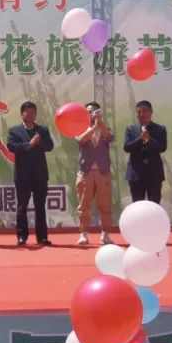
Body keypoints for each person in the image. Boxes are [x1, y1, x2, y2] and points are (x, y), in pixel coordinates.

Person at [7, 101, 55, 246]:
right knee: (22, 206)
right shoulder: (14, 131)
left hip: (40, 175)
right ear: (21, 114)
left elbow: (50, 146)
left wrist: (38, 143)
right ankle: (22, 236)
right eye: (27, 112)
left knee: (40, 206)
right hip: (23, 175)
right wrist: (29, 144)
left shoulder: (42, 130)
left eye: (33, 112)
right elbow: (11, 146)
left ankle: (42, 237)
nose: (30, 115)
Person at [75, 102, 115, 245]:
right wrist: (93, 127)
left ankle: (105, 234)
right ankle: (83, 233)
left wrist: (100, 124)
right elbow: (82, 140)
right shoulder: (80, 128)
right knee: (84, 205)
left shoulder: (106, 128)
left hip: (103, 172)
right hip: (86, 172)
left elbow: (110, 138)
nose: (91, 114)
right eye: (89, 112)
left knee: (105, 205)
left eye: (94, 111)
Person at [122, 100, 168, 204]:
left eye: (145, 111)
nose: (142, 114)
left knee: (154, 204)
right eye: (139, 112)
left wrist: (149, 139)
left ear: (151, 112)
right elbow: (127, 147)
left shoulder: (160, 129)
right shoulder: (130, 129)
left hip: (154, 174)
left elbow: (162, 147)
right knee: (137, 205)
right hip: (136, 175)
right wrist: (140, 139)